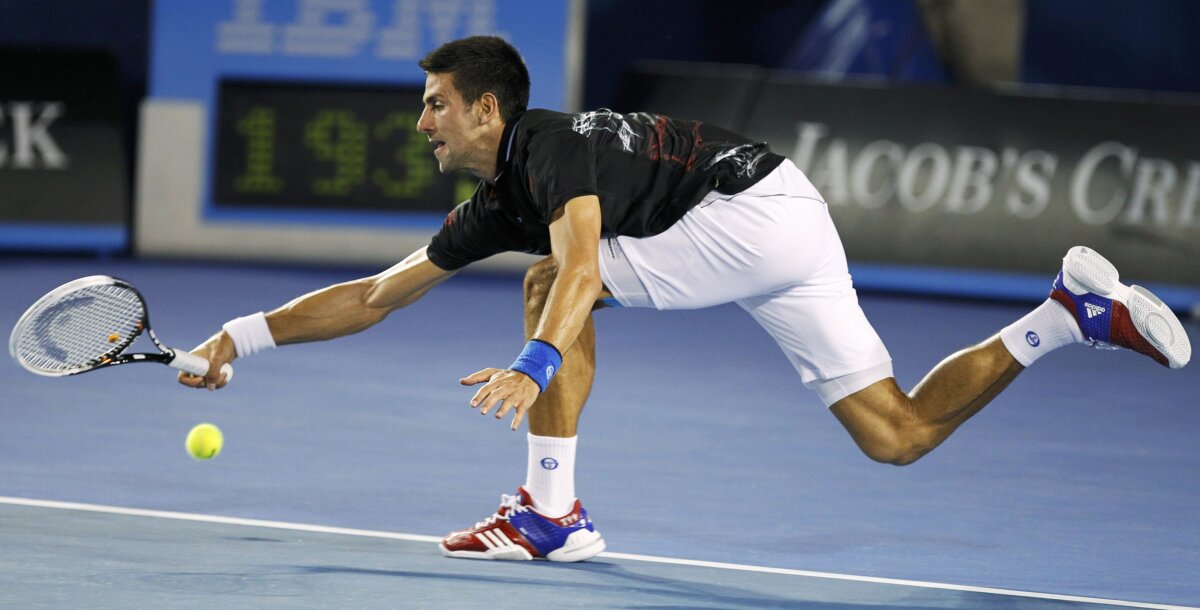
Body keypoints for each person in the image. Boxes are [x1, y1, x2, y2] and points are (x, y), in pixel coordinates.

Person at [178, 36, 1192, 563]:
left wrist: (535, 360)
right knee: (897, 434)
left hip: (748, 214)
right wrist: (240, 336)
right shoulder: (494, 200)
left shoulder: (547, 143)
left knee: (550, 281)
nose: (421, 123)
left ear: (487, 108)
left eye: (435, 104)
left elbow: (579, 271)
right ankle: (1065, 315)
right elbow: (375, 296)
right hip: (785, 220)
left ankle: (551, 514)